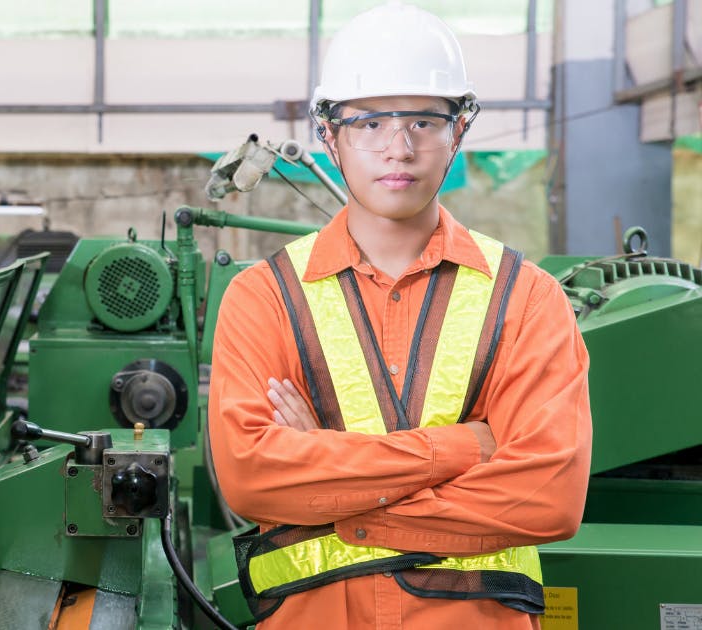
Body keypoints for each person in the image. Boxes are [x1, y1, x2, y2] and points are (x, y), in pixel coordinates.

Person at [209, 3, 592, 628]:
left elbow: (545, 497)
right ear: (329, 135)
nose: (399, 147)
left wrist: (330, 483)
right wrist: (466, 447)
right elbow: (254, 479)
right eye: (368, 123)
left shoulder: (526, 298)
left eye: (424, 120)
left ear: (459, 131)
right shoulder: (265, 296)